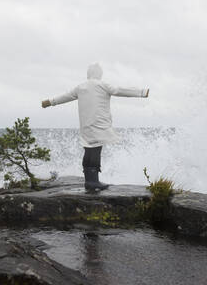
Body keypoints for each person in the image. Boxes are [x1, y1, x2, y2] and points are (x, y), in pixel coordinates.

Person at [42, 63, 149, 191]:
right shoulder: (102, 85)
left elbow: (65, 96)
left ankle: (89, 180)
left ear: (88, 74)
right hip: (99, 123)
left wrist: (49, 102)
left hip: (85, 124)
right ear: (99, 74)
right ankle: (93, 182)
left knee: (88, 149)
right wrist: (141, 92)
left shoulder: (80, 87)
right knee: (96, 150)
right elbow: (119, 90)